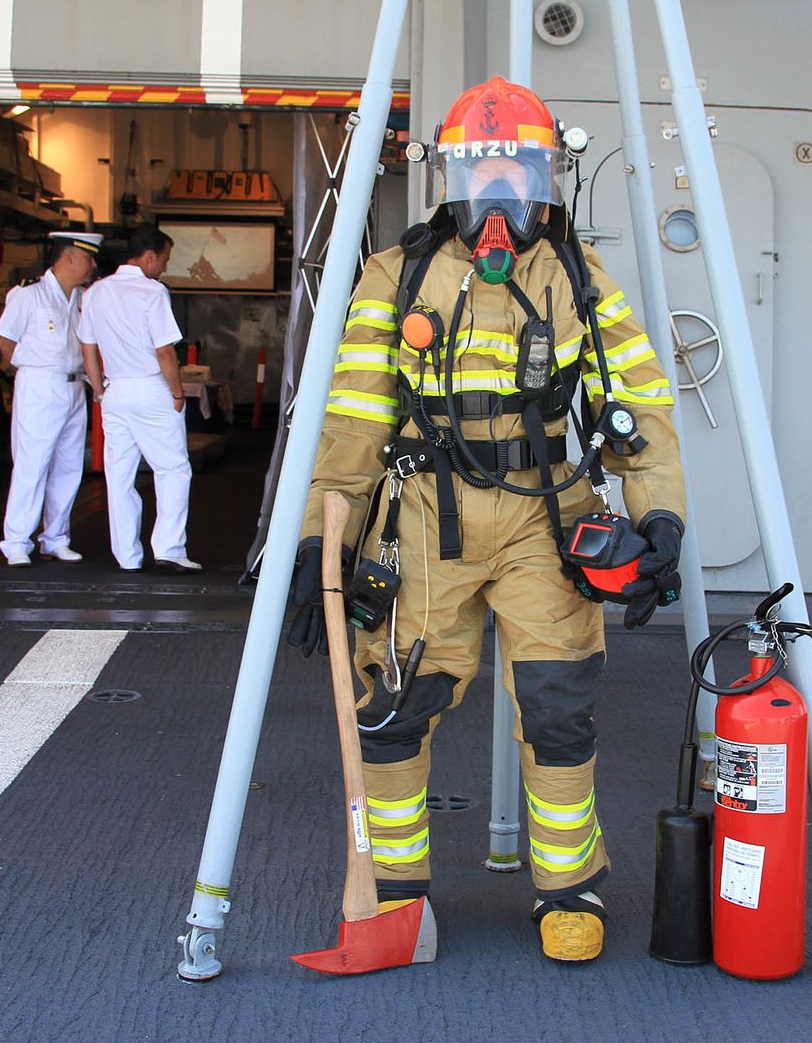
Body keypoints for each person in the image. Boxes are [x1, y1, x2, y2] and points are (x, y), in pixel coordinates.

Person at [285, 77, 686, 964]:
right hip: (424, 522)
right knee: (390, 707)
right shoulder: (397, 278)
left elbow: (642, 412)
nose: (499, 201)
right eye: (480, 176)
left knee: (558, 711)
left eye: (520, 174)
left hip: (550, 518)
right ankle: (394, 893)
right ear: (449, 181)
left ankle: (568, 887)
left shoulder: (581, 279)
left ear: (549, 178)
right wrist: (323, 542)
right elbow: (352, 424)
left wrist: (663, 522)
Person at [78, 229, 201, 573]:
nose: (163, 268)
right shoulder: (152, 291)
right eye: (164, 260)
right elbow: (164, 350)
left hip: (114, 391)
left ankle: (127, 557)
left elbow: (88, 347)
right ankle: (169, 549)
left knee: (119, 477)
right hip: (151, 389)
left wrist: (99, 390)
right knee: (173, 469)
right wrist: (178, 393)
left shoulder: (95, 292)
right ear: (149, 256)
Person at [0, 230, 102, 567]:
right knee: (33, 464)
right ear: (68, 257)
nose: (93, 264)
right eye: (88, 257)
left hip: (73, 386)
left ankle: (55, 538)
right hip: (40, 384)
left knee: (68, 466)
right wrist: (28, 370)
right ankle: (16, 540)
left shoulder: (83, 299)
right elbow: (4, 341)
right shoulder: (29, 295)